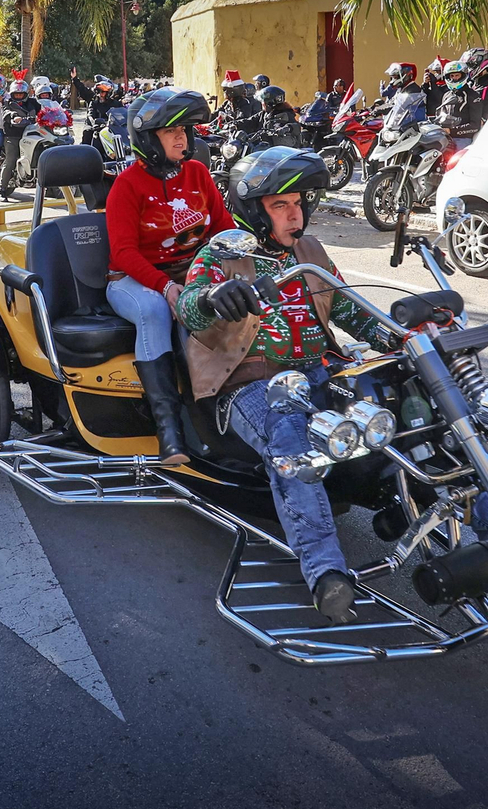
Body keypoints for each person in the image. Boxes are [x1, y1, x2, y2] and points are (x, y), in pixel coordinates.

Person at [177, 147, 403, 623]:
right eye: (281, 205)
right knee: (290, 436)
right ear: (254, 210)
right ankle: (325, 572)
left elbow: (349, 312)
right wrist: (219, 296)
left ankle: (483, 528)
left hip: (320, 371)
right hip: (251, 384)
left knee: (407, 396)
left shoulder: (310, 252)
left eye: (298, 202)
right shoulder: (224, 251)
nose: (295, 213)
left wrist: (404, 334)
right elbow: (190, 306)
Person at [103, 87, 232, 464]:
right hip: (133, 280)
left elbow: (223, 230)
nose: (182, 137)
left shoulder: (197, 173)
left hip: (189, 273)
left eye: (185, 130)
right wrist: (167, 287)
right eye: (171, 130)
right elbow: (123, 254)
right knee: (155, 312)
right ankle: (170, 434)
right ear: (147, 138)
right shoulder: (127, 186)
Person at [0, 79, 39, 191]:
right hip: (13, 135)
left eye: (21, 94)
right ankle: (2, 189)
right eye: (16, 94)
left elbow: (44, 110)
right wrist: (14, 117)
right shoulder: (8, 103)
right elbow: (6, 112)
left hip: (32, 134)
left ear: (25, 94)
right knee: (11, 160)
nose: (18, 96)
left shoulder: (33, 103)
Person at [214, 70, 262, 134]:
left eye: (225, 90)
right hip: (226, 133)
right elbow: (215, 115)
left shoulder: (244, 103)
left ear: (233, 91)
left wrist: (230, 124)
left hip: (240, 136)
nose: (224, 92)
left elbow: (241, 121)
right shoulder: (227, 103)